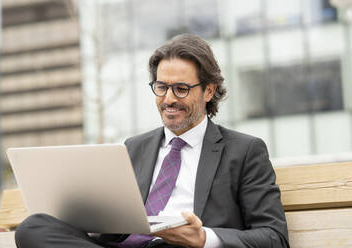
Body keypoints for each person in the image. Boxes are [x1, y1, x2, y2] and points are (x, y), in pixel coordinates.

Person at [15, 34, 289, 248]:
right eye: (161, 87)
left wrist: (202, 238)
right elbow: (113, 228)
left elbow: (274, 238)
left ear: (208, 91)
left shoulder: (245, 150)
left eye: (181, 89)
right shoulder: (134, 147)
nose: (168, 99)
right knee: (34, 226)